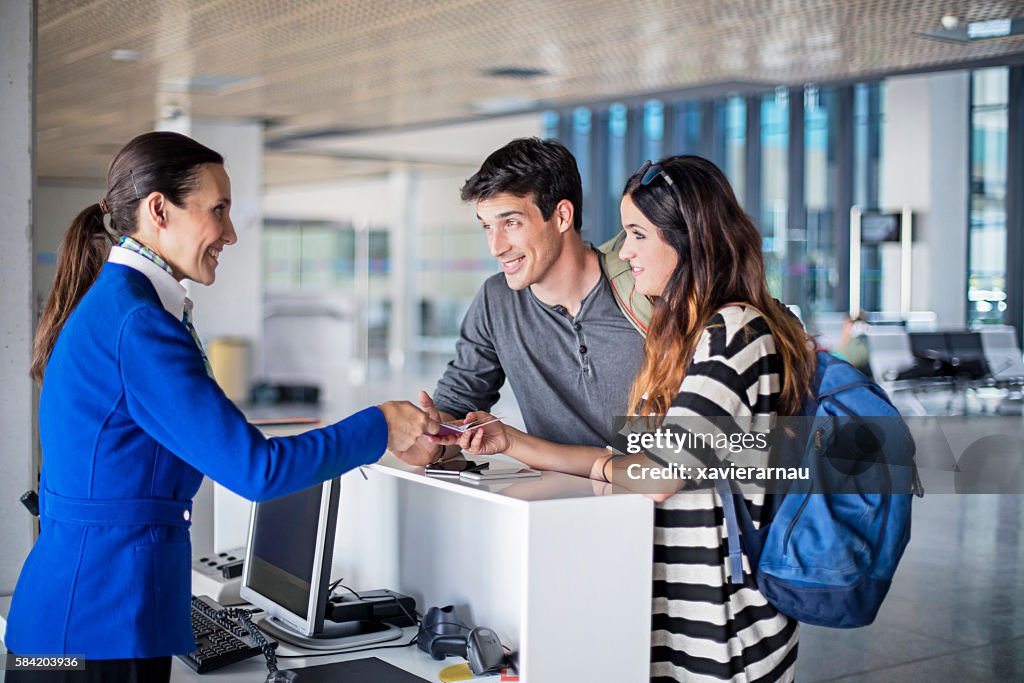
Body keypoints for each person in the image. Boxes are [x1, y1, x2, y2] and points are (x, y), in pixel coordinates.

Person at [6, 131, 437, 682]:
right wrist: (380, 425)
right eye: (219, 210)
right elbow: (255, 470)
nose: (231, 233)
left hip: (80, 617)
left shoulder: (119, 306)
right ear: (158, 210)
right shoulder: (139, 325)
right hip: (98, 624)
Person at [439, 155, 816, 682]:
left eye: (637, 234)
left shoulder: (732, 332)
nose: (625, 251)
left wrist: (535, 449)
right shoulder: (686, 330)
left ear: (686, 238)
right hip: (663, 594)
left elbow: (659, 473)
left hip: (720, 618)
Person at [394, 137, 646, 467]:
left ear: (561, 216)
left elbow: (701, 453)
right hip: (561, 510)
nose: (495, 247)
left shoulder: (643, 290)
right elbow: (458, 402)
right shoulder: (496, 301)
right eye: (487, 226)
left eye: (511, 223)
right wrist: (434, 438)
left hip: (662, 507)